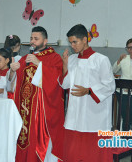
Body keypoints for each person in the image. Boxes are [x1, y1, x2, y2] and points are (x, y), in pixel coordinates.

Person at [7, 26, 64, 162]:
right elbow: (11, 87)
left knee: (39, 144)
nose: (32, 41)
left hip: (41, 114)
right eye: (31, 38)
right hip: (25, 110)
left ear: (45, 41)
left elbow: (57, 82)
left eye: (36, 39)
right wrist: (13, 72)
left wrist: (39, 64)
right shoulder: (26, 58)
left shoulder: (54, 58)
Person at [59, 24, 115, 162]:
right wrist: (65, 65)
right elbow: (65, 84)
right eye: (70, 42)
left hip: (94, 114)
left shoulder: (101, 60)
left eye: (74, 42)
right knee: (74, 152)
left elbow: (110, 86)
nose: (72, 45)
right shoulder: (72, 60)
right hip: (75, 113)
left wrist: (89, 91)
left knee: (93, 154)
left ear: (85, 39)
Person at [113, 38, 132, 130]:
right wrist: (119, 60)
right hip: (122, 92)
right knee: (125, 117)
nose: (129, 50)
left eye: (131, 48)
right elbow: (113, 70)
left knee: (130, 117)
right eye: (128, 48)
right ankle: (125, 137)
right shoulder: (124, 59)